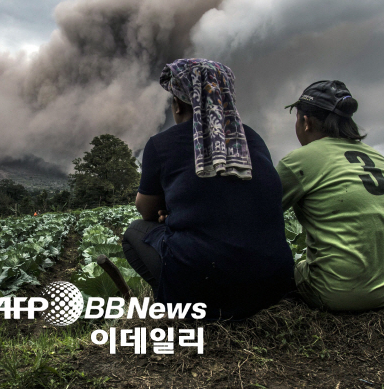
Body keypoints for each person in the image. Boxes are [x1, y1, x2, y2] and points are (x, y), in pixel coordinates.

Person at [122, 58, 295, 320]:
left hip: (205, 282)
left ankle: (176, 307)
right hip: (273, 284)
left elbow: (146, 211)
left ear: (178, 104)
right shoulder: (253, 138)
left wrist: (172, 212)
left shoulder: (161, 144)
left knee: (134, 231)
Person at [276, 80, 384, 311]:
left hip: (340, 294)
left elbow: (258, 214)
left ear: (306, 122)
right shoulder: (377, 157)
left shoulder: (298, 161)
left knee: (291, 268)